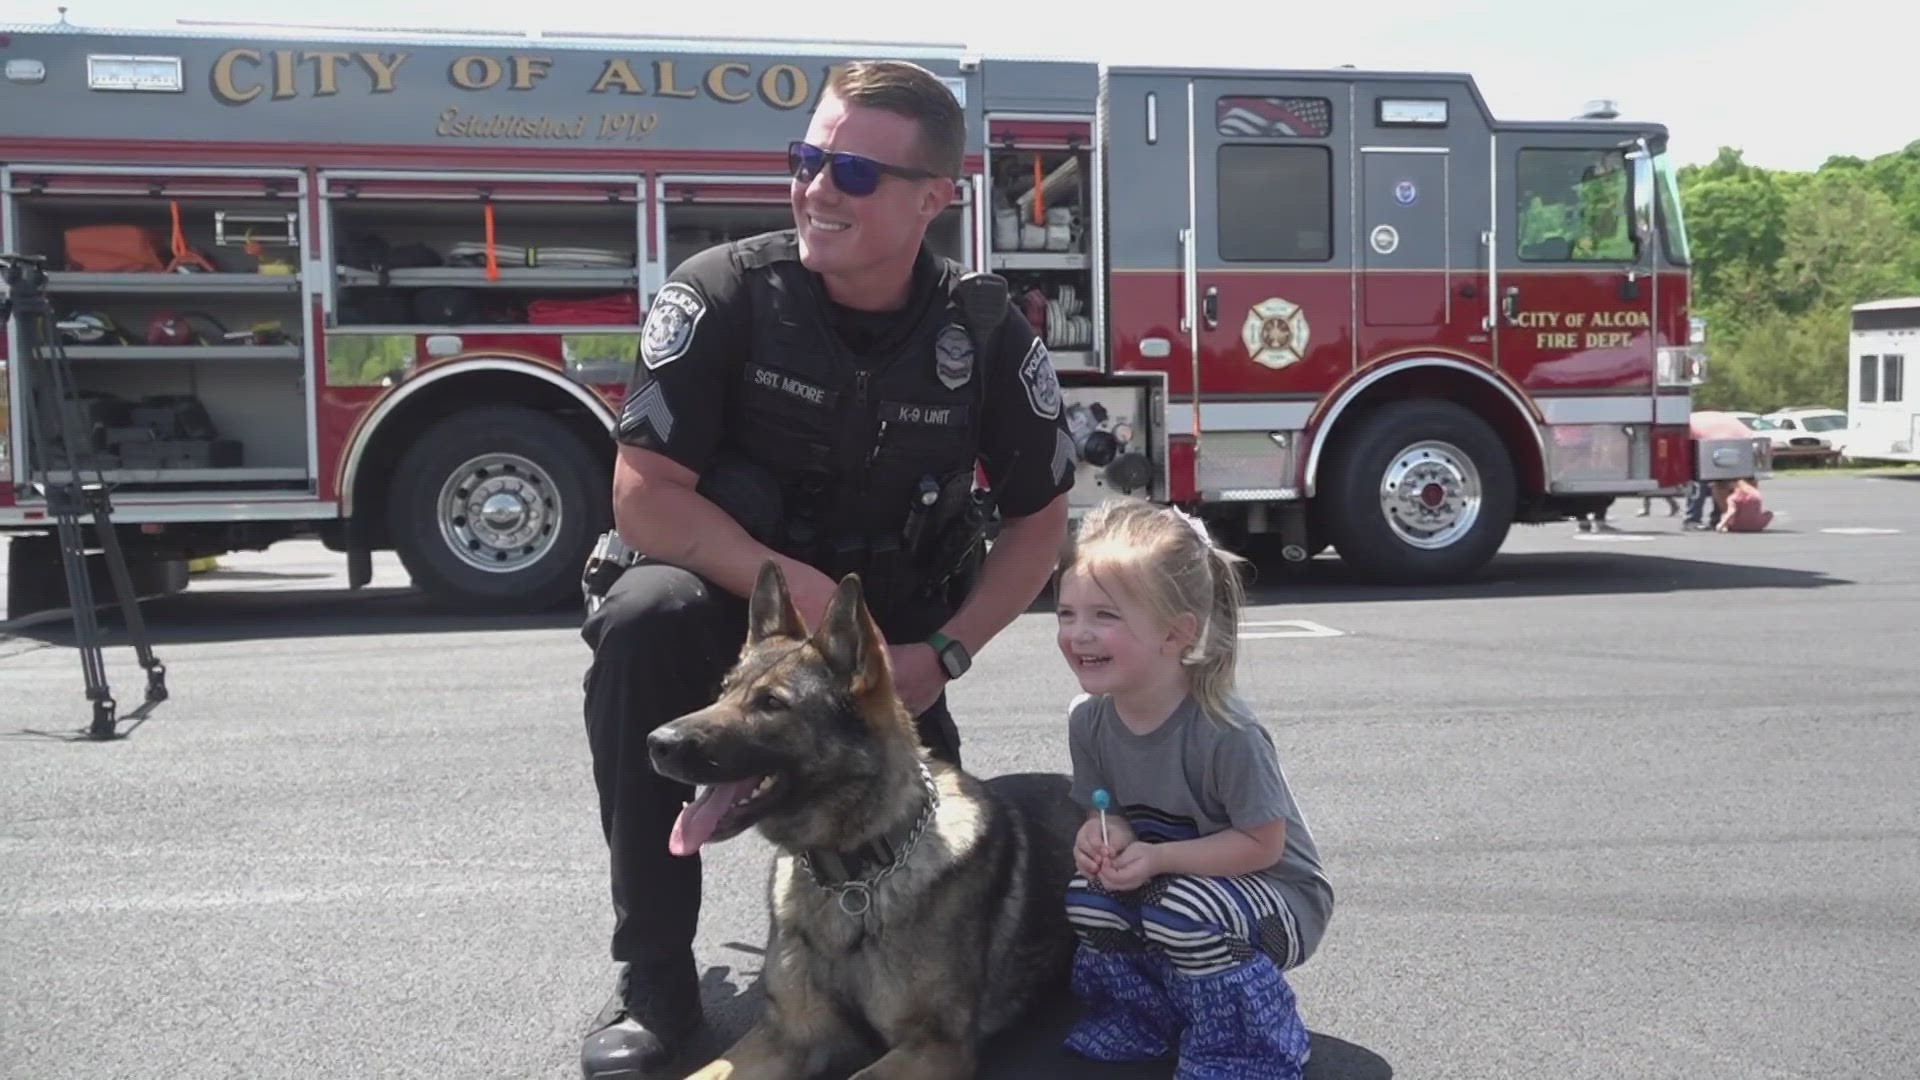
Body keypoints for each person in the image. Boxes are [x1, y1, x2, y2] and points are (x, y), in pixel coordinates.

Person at [576, 61, 1075, 1077]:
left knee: (923, 868)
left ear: (935, 196)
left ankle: (888, 1007)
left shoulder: (980, 333)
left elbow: (1039, 525)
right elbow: (644, 493)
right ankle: (657, 982)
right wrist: (785, 580)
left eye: (851, 171)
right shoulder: (724, 294)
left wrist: (946, 654)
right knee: (644, 618)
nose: (815, 189)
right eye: (807, 160)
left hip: (886, 656)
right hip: (733, 627)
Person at [1053, 496, 1333, 1080]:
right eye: (1066, 613)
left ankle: (1253, 1041)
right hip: (1178, 877)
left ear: (1175, 634)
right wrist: (1102, 839)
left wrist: (1156, 858)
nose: (1079, 633)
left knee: (1181, 910)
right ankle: (1149, 1017)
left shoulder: (1226, 731)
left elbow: (1262, 846)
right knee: (1089, 893)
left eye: (1105, 616)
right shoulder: (1089, 719)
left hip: (1277, 898)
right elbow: (1107, 809)